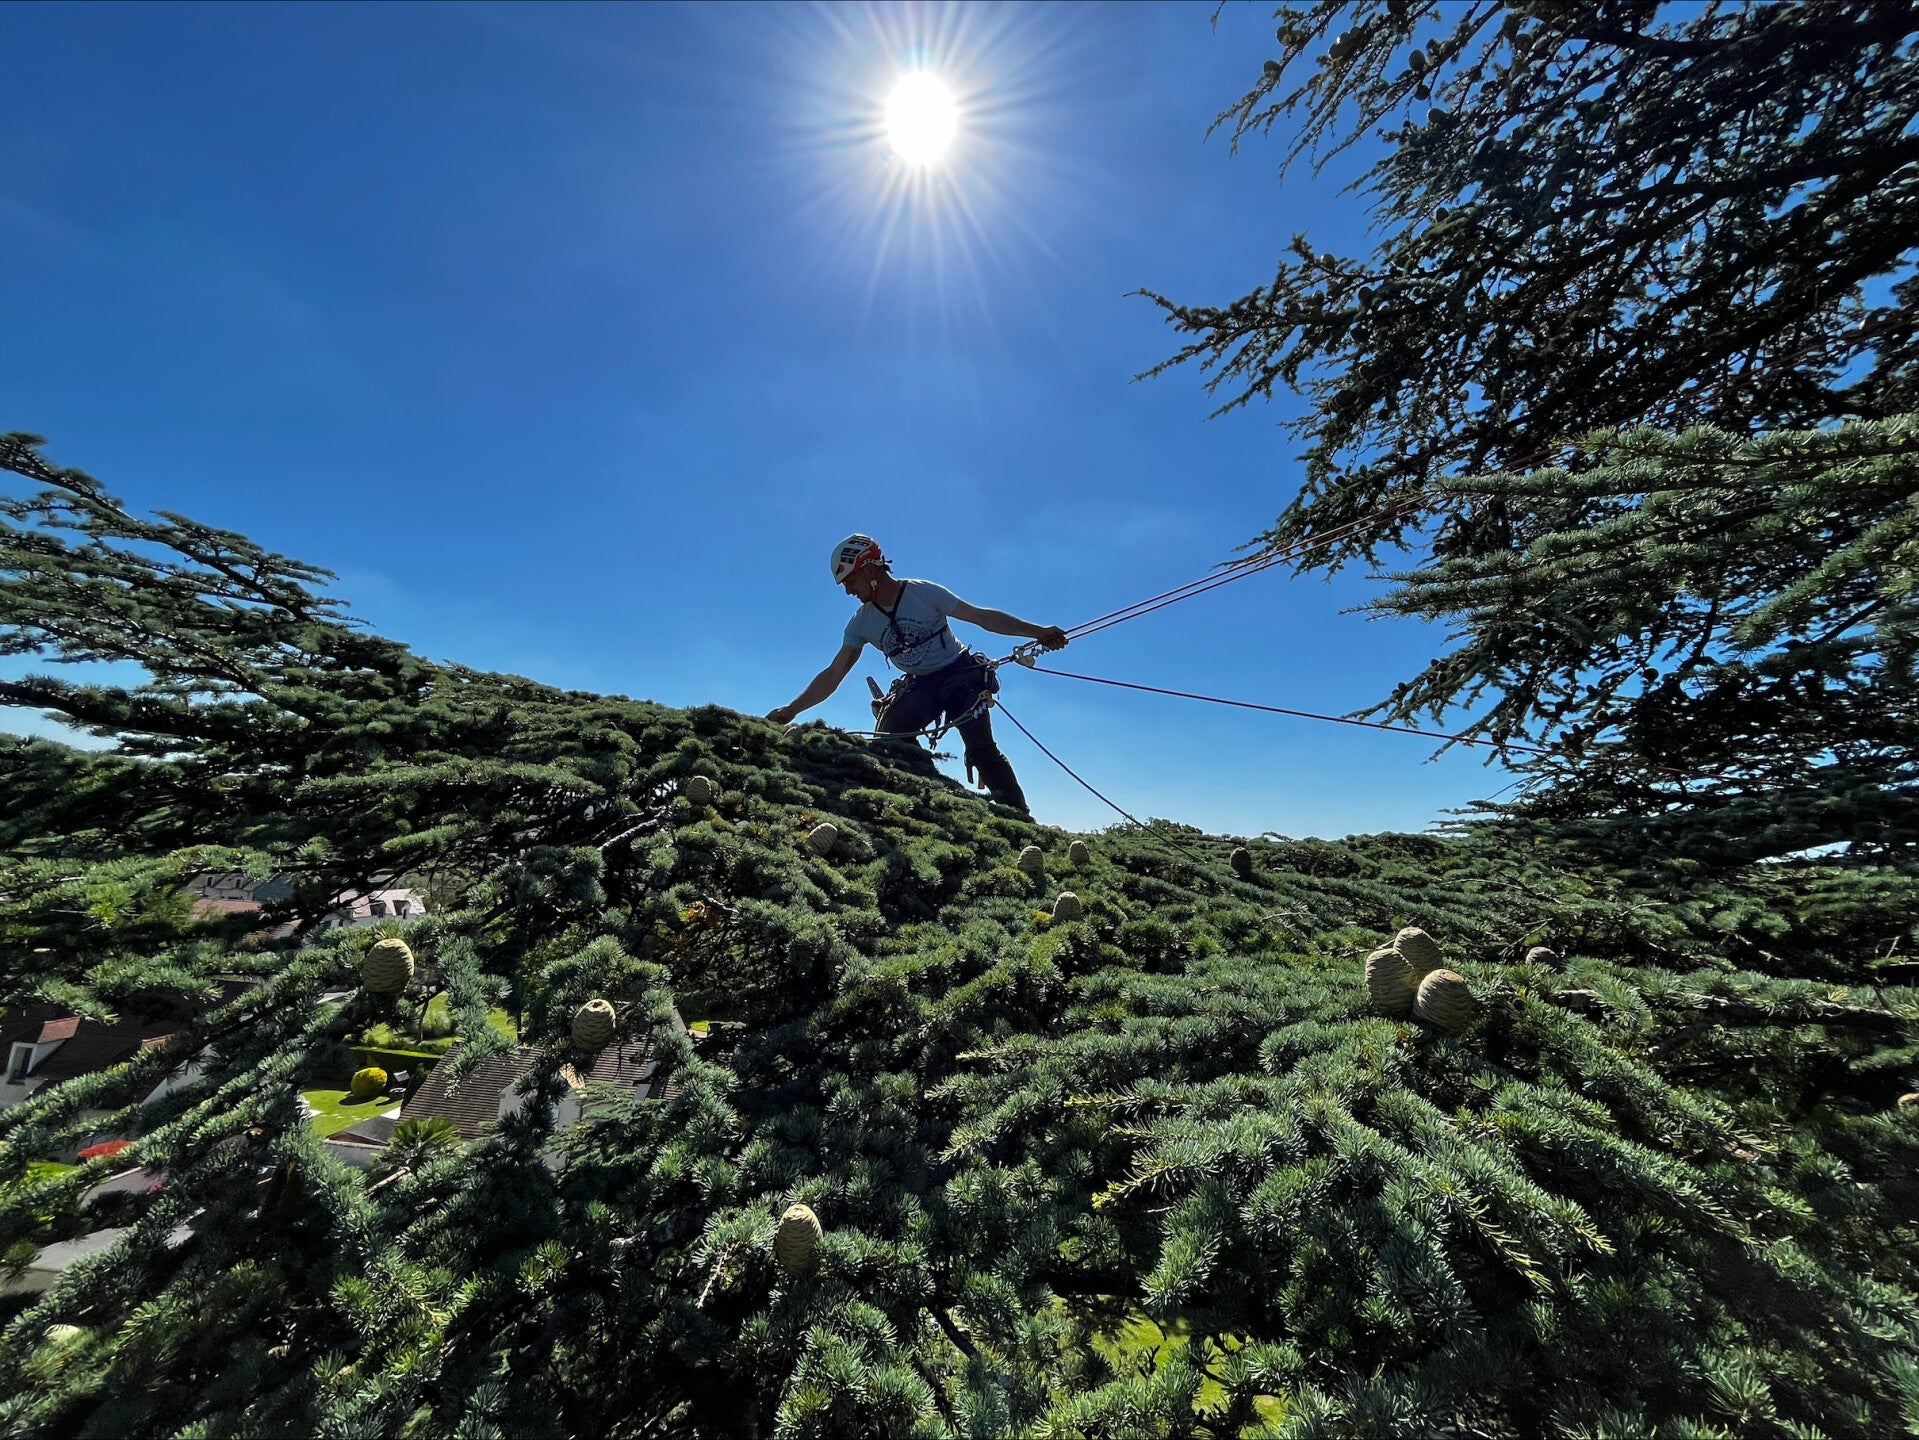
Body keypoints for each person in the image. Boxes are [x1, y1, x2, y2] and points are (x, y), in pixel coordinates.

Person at [766, 534, 1068, 813]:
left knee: (981, 750)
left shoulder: (923, 593)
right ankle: (935, 794)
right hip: (921, 685)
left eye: (851, 581)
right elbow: (834, 673)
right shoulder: (861, 623)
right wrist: (792, 709)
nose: (848, 591)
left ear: (869, 570)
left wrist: (1038, 632)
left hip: (961, 676)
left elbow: (981, 617)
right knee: (889, 741)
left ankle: (1018, 814)